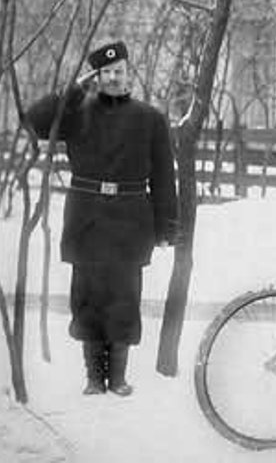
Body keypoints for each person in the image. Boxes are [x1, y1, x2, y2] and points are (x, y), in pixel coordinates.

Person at [22, 41, 179, 397]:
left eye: (118, 71)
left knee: (125, 298)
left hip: (130, 219)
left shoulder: (150, 119)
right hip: (87, 218)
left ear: (128, 72)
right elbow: (33, 122)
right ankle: (94, 378)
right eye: (105, 72)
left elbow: (163, 178)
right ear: (96, 76)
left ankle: (118, 378)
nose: (112, 78)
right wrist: (72, 92)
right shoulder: (77, 112)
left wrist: (166, 227)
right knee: (87, 297)